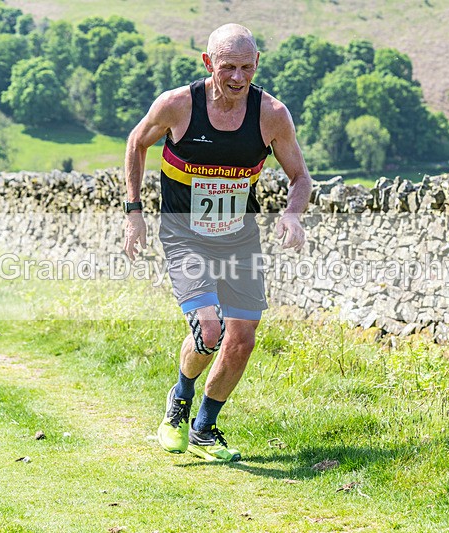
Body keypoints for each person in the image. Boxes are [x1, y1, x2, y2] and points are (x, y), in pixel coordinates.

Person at [122, 23, 311, 462]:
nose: (238, 78)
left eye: (247, 67)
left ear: (257, 65)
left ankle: (205, 428)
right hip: (183, 233)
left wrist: (292, 214)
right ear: (208, 63)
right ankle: (180, 398)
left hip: (238, 238)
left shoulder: (271, 115)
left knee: (242, 338)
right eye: (228, 67)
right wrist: (135, 214)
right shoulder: (177, 106)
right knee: (210, 329)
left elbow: (300, 176)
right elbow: (136, 143)